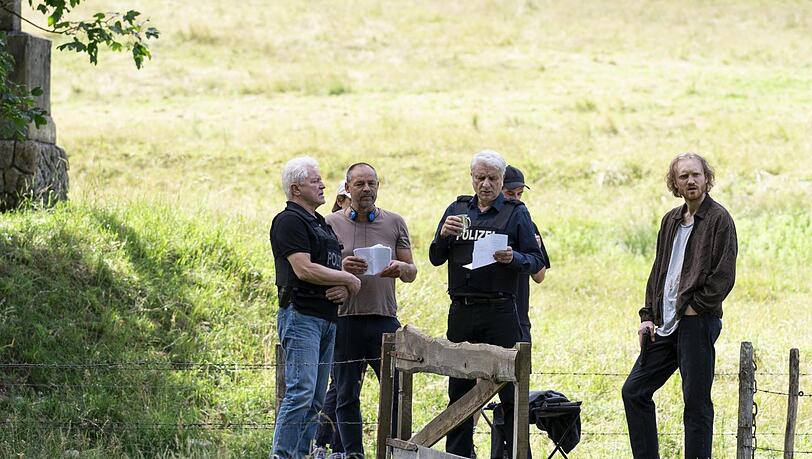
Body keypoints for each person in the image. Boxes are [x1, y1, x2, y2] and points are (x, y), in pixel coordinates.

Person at [621, 153, 737, 459]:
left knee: (696, 403)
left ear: (706, 178)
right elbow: (659, 271)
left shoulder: (718, 219)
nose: (691, 181)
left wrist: (695, 308)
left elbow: (724, 275)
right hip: (665, 325)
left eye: (696, 175)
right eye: (684, 176)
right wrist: (648, 316)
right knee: (634, 391)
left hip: (696, 323)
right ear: (675, 183)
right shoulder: (671, 220)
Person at [430, 150, 545, 458]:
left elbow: (537, 262)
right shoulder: (456, 209)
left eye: (492, 179)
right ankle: (459, 454)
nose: (485, 184)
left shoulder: (515, 212)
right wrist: (442, 235)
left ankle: (515, 453)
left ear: (501, 180)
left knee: (510, 389)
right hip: (462, 309)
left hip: (500, 310)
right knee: (459, 391)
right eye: (480, 178)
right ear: (471, 178)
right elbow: (435, 257)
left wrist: (514, 258)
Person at [270, 156, 361, 459]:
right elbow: (304, 269)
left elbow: (327, 268)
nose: (323, 185)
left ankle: (300, 455)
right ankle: (282, 456)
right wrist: (348, 278)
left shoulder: (320, 224)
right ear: (296, 188)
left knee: (316, 400)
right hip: (302, 316)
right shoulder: (289, 221)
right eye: (315, 180)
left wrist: (344, 284)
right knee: (300, 393)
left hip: (326, 318)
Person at [325, 162, 417, 458]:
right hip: (345, 318)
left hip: (383, 318)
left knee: (395, 392)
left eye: (371, 184)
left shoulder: (394, 222)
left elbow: (412, 270)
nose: (366, 189)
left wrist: (400, 268)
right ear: (347, 189)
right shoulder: (330, 223)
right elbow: (317, 268)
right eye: (360, 184)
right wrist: (341, 266)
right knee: (345, 393)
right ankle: (353, 453)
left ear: (378, 186)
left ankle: (391, 451)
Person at [313, 179, 355, 458]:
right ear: (340, 200)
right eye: (347, 198)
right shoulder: (327, 225)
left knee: (342, 385)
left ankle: (326, 442)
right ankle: (328, 443)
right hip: (340, 314)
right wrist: (346, 274)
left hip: (365, 311)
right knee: (341, 385)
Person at [501, 165, 551, 343]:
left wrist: (532, 252)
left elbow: (539, 276)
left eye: (520, 194)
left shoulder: (528, 224)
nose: (516, 199)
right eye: (510, 193)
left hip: (519, 317)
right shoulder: (485, 222)